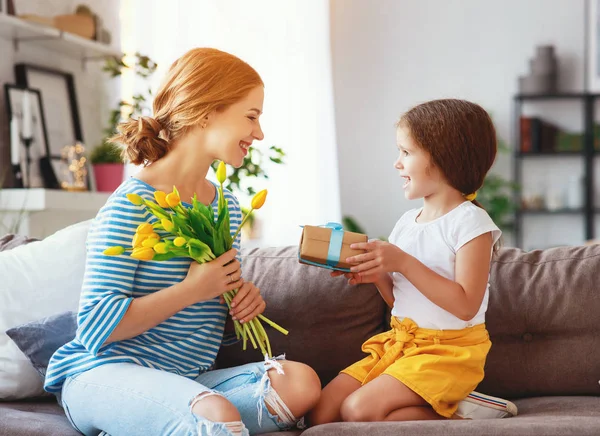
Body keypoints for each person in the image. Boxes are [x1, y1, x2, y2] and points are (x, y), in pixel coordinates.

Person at [44, 47, 321, 436]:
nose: (259, 133)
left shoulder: (223, 203)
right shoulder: (133, 203)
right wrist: (193, 289)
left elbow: (203, 316)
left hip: (186, 380)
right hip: (102, 375)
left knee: (300, 382)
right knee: (216, 415)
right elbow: (94, 327)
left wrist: (239, 301)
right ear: (207, 112)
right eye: (251, 116)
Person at [308, 99, 518, 424]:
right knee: (321, 413)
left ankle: (464, 410)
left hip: (447, 353)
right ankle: (447, 405)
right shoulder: (407, 223)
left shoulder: (471, 223)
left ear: (442, 157)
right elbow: (401, 302)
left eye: (406, 153)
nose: (397, 163)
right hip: (401, 343)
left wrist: (403, 262)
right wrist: (377, 276)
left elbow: (465, 305)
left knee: (357, 410)